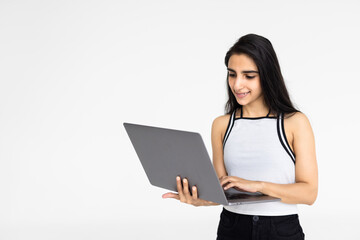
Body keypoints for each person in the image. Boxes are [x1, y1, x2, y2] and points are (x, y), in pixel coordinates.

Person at [162, 33, 318, 240]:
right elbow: (223, 191)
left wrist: (258, 185)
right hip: (232, 227)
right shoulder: (221, 125)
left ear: (268, 75)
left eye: (249, 76)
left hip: (280, 229)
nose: (237, 85)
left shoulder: (294, 122)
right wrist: (201, 200)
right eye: (232, 74)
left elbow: (309, 193)